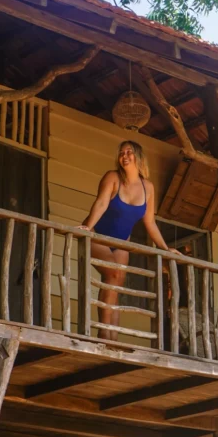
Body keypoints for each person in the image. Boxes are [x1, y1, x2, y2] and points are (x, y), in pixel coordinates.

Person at [79, 140, 178, 340]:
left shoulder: (148, 188)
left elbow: (149, 222)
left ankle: (112, 337)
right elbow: (101, 203)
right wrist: (88, 228)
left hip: (122, 242)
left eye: (129, 152)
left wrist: (166, 249)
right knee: (113, 275)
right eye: (121, 152)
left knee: (115, 285)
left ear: (139, 157)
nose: (124, 156)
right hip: (98, 235)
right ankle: (103, 335)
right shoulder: (113, 177)